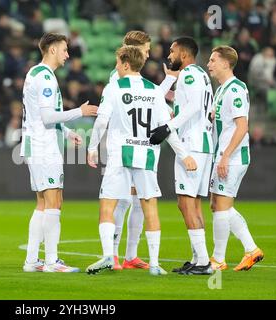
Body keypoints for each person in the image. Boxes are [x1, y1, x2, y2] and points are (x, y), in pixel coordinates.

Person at [86, 45, 197, 275]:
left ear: (126, 64)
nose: (116, 67)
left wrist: (92, 147)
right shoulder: (154, 90)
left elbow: (101, 121)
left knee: (108, 204)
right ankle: (155, 264)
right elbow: (166, 128)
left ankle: (109, 256)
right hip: (146, 154)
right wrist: (183, 154)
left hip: (120, 154)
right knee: (150, 207)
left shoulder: (114, 86)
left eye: (118, 63)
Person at [21, 33, 98, 273]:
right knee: (53, 200)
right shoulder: (45, 77)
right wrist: (80, 112)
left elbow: (42, 115)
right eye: (64, 50)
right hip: (43, 145)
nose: (67, 54)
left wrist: (65, 132)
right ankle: (52, 261)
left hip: (39, 142)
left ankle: (32, 261)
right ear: (52, 50)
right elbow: (46, 117)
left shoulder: (37, 73)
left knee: (44, 202)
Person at [108, 30, 178, 271]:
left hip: (141, 147)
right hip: (123, 146)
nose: (149, 54)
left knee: (138, 201)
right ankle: (114, 255)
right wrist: (168, 83)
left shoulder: (135, 75)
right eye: (146, 49)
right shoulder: (117, 76)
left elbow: (148, 98)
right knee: (124, 200)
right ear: (134, 49)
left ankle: (131, 255)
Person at [149, 37, 214, 275]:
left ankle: (204, 262)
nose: (169, 55)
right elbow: (193, 104)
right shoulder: (201, 75)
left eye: (172, 51)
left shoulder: (188, 74)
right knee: (193, 204)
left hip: (192, 145)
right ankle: (198, 258)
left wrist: (168, 127)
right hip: (203, 144)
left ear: (184, 55)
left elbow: (194, 106)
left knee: (186, 204)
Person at [206, 45, 264, 271]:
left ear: (225, 63)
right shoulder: (221, 89)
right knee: (216, 204)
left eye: (213, 60)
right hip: (221, 155)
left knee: (221, 206)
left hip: (232, 156)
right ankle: (251, 249)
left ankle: (218, 260)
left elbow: (242, 126)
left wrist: (226, 156)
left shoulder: (236, 89)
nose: (209, 64)